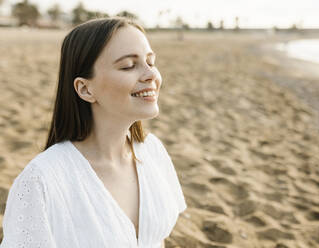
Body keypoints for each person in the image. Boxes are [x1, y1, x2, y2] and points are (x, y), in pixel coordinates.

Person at [0, 17, 187, 248]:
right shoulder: (41, 181)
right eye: (129, 65)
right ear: (85, 89)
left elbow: (157, 241)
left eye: (151, 61)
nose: (151, 75)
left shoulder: (153, 152)